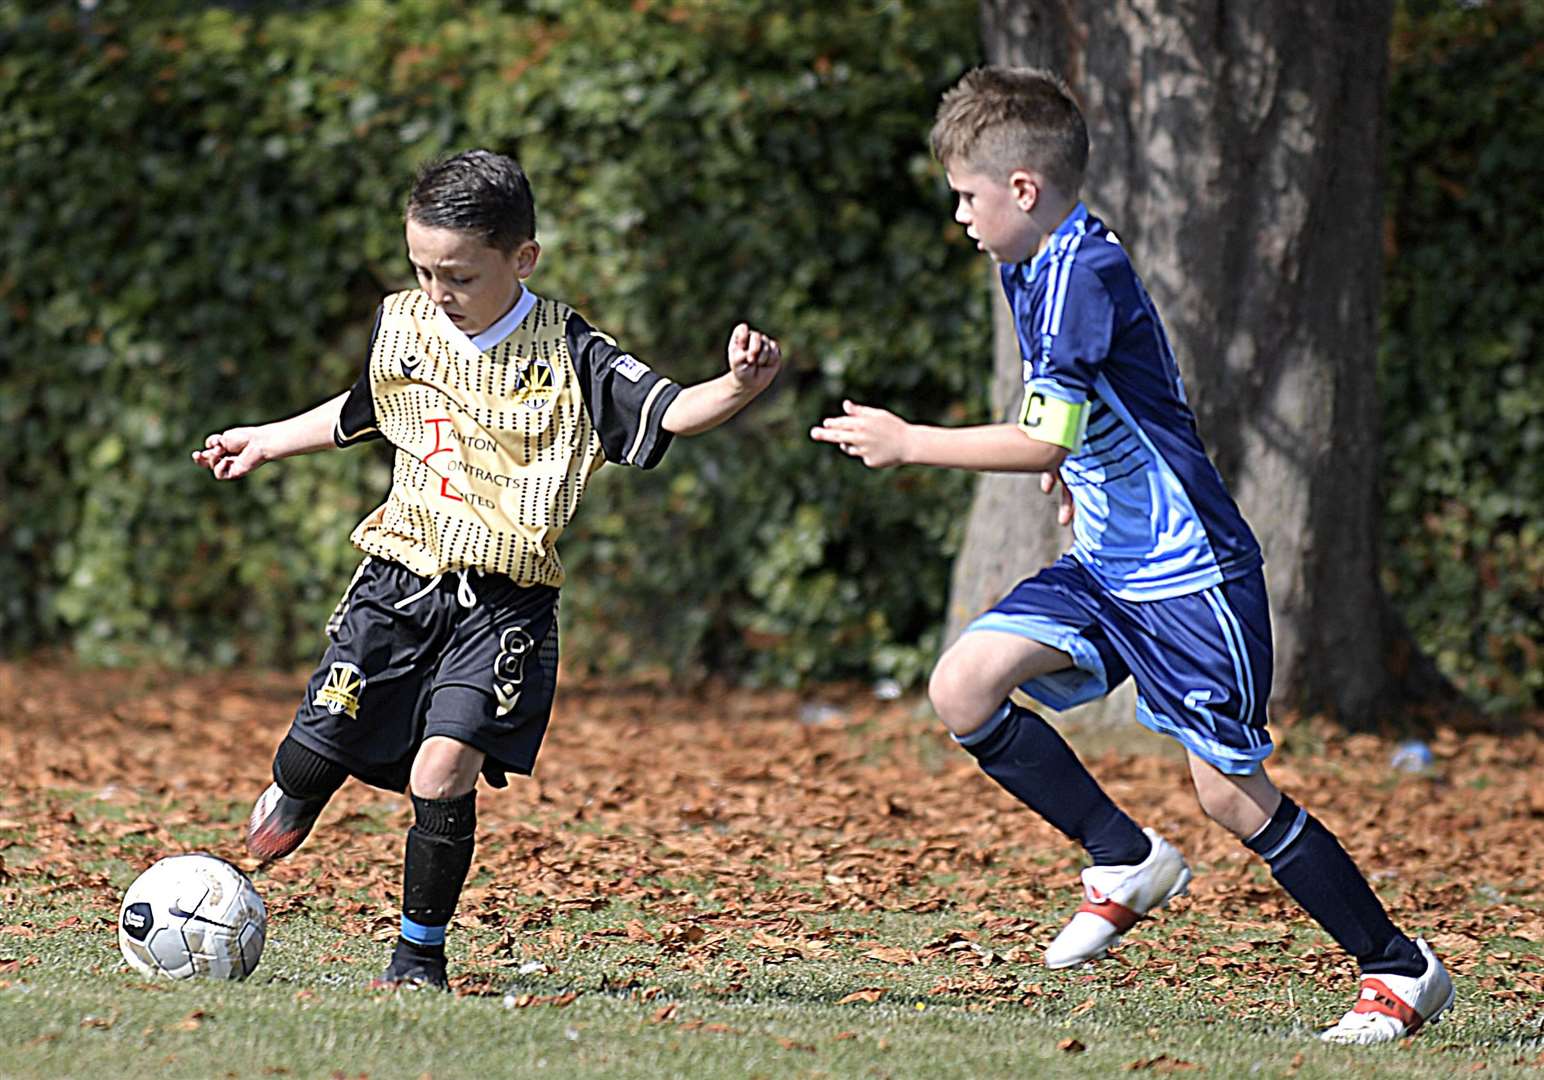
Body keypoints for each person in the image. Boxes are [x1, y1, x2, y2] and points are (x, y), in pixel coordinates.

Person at [810, 66, 1453, 1045]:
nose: (957, 215)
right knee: (963, 687)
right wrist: (1074, 469)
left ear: (1021, 189)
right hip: (1107, 569)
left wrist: (910, 443)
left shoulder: (1078, 274)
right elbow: (1074, 415)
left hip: (1187, 578)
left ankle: (1398, 969)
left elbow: (1038, 435)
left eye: (965, 195)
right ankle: (1122, 856)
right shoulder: (1027, 262)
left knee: (1228, 796)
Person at [194, 149, 781, 990]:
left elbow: (674, 412)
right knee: (312, 757)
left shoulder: (573, 352)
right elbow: (364, 409)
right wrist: (264, 439)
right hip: (398, 581)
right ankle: (300, 786)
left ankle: (416, 959)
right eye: (423, 270)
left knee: (443, 770)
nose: (439, 293)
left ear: (523, 259)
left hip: (506, 605)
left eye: (460, 276)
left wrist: (737, 383)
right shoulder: (403, 322)